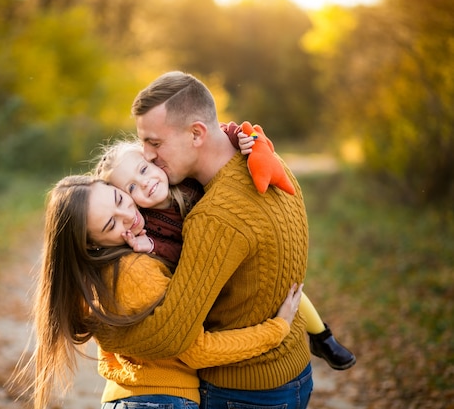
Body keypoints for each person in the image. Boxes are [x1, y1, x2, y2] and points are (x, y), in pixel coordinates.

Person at [90, 71, 316, 409]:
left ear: (197, 133)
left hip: (242, 391)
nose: (148, 156)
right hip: (293, 370)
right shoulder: (265, 159)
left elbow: (174, 336)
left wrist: (101, 329)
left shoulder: (213, 217)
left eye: (155, 143)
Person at [30, 175, 304, 409]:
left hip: (131, 397)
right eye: (111, 225)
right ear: (91, 244)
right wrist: (275, 330)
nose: (128, 216)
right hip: (162, 399)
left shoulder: (100, 271)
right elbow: (196, 351)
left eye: (119, 198)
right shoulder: (134, 271)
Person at [94, 137, 356, 371]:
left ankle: (322, 336)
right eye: (130, 188)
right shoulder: (148, 226)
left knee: (287, 285)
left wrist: (238, 136)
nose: (145, 184)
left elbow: (208, 135)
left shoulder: (185, 179)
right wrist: (151, 247)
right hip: (204, 273)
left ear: (153, 162)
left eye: (143, 170)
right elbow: (178, 257)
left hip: (234, 249)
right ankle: (260, 341)